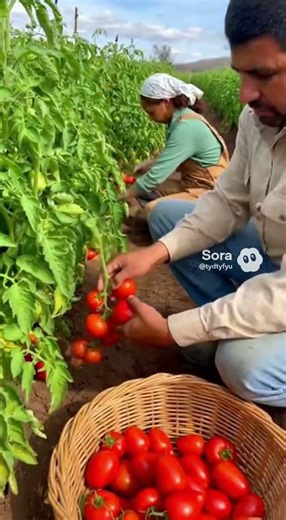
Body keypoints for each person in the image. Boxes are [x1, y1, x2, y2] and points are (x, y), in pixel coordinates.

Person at [99, 0, 286, 408]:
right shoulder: (259, 120)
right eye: (240, 75)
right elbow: (227, 200)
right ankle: (220, 328)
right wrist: (154, 253)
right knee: (167, 217)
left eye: (265, 75)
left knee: (243, 365)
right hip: (274, 255)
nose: (245, 94)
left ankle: (234, 345)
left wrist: (174, 330)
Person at [120, 73, 229, 219]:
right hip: (195, 185)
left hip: (212, 194)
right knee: (145, 189)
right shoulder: (182, 119)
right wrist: (149, 165)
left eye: (151, 113)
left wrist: (121, 196)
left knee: (153, 210)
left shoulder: (186, 127)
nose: (150, 119)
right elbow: (174, 157)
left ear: (166, 102)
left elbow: (154, 178)